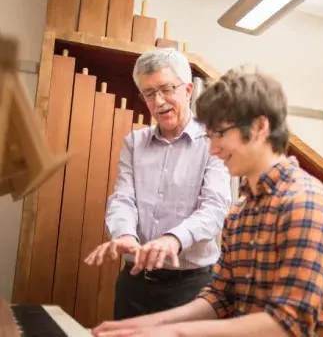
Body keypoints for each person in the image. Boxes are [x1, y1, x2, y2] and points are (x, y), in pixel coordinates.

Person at [91, 65, 323, 336]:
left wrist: (174, 332)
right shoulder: (240, 214)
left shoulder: (305, 204)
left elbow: (289, 323)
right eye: (210, 136)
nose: (213, 148)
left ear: (259, 126)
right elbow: (220, 297)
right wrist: (146, 323)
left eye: (220, 134)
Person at [84, 48, 232, 320]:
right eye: (149, 93)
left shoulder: (213, 141)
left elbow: (215, 208)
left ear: (188, 90)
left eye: (166, 89)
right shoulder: (134, 142)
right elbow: (123, 198)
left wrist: (173, 239)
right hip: (135, 284)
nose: (159, 101)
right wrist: (124, 234)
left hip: (192, 289)